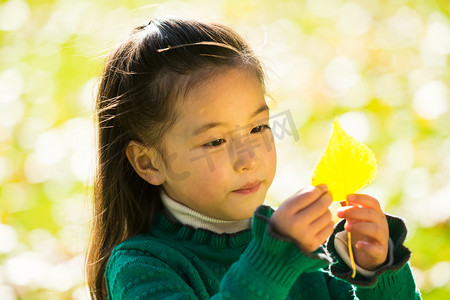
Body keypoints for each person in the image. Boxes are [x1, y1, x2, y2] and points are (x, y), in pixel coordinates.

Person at [86, 17, 421, 299]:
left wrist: (375, 270)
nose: (247, 158)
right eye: (216, 141)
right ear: (148, 162)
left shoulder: (311, 248)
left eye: (258, 127)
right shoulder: (140, 266)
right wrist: (271, 262)